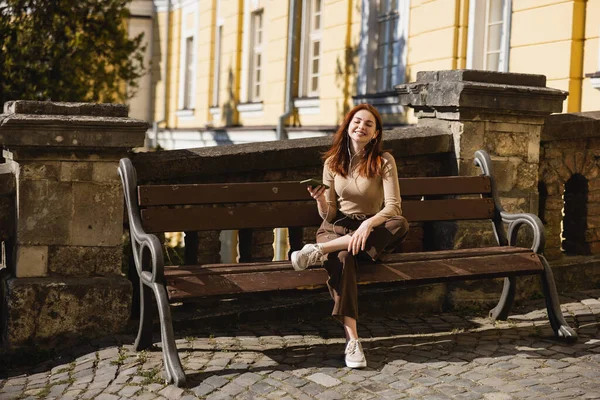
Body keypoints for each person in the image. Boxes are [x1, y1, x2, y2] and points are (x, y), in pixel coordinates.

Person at [291, 103, 409, 369]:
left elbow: (393, 207)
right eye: (357, 121)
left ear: (376, 133)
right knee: (343, 257)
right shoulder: (332, 162)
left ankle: (319, 251)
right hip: (337, 230)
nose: (362, 127)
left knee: (400, 224)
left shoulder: (383, 161)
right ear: (348, 126)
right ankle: (353, 341)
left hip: (369, 229)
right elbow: (329, 215)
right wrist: (321, 199)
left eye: (369, 124)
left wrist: (368, 226)